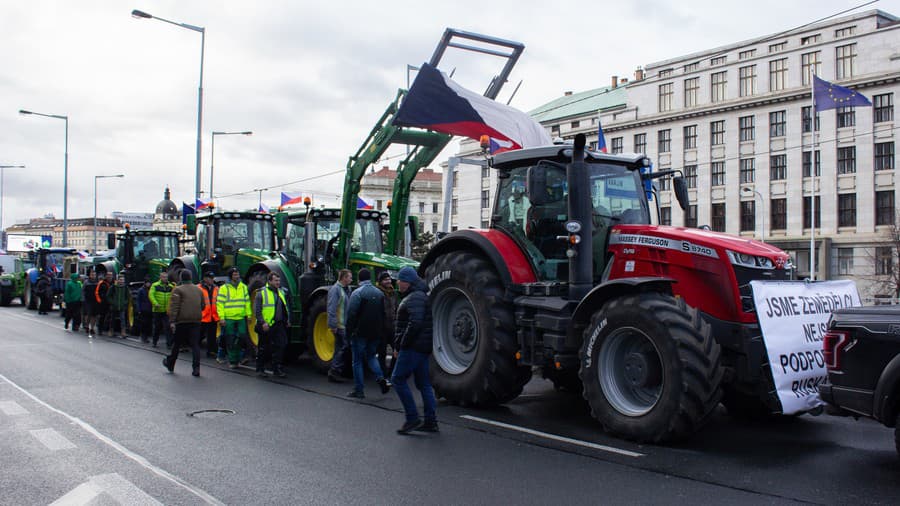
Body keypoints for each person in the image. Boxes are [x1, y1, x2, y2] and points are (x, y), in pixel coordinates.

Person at [391, 266, 437, 434]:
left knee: (397, 379)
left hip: (413, 347)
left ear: (407, 282)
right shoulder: (420, 295)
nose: (398, 283)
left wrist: (402, 344)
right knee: (423, 383)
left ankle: (412, 418)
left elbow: (415, 323)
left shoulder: (414, 297)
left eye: (400, 280)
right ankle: (431, 421)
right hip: (422, 347)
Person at [345, 268, 389, 398]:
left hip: (360, 332)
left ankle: (359, 390)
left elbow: (351, 314)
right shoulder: (380, 293)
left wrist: (349, 333)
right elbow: (383, 313)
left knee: (357, 361)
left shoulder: (357, 293)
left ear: (359, 279)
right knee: (371, 356)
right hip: (375, 332)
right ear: (370, 278)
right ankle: (380, 377)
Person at [163, 270, 205, 377]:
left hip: (182, 321)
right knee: (195, 345)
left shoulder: (178, 290)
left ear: (181, 278)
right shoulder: (199, 290)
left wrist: (172, 321)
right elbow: (203, 305)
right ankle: (196, 369)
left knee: (177, 344)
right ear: (190, 277)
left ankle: (170, 363)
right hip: (196, 320)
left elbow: (174, 307)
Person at [253, 272, 290, 378]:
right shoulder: (261, 293)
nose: (278, 282)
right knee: (263, 347)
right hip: (266, 325)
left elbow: (285, 307)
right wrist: (263, 322)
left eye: (279, 280)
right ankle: (260, 369)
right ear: (269, 281)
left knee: (281, 345)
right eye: (276, 280)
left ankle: (277, 368)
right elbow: (257, 311)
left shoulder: (281, 292)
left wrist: (287, 320)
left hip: (278, 324)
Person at [217, 267, 251, 369]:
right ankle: (233, 361)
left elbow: (247, 302)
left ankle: (238, 357)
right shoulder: (224, 288)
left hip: (240, 317)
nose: (237, 276)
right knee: (230, 339)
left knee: (242, 337)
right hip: (229, 318)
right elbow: (220, 304)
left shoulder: (244, 287)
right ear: (231, 276)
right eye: (235, 274)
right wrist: (222, 318)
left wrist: (249, 315)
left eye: (238, 274)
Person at [326, 269, 352, 383]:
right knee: (344, 347)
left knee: (340, 348)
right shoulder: (335, 290)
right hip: (340, 325)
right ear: (344, 278)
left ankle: (336, 370)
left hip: (345, 325)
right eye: (349, 277)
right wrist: (333, 325)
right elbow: (331, 308)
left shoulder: (347, 289)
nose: (351, 279)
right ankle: (334, 371)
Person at [376, 271, 398, 377]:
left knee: (397, 350)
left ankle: (391, 371)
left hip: (392, 327)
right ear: (380, 282)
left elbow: (396, 308)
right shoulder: (378, 293)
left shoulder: (393, 293)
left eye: (389, 279)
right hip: (382, 328)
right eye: (385, 279)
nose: (389, 281)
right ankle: (383, 374)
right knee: (382, 353)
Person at [149, 272, 175, 348]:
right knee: (157, 327)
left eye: (166, 277)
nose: (165, 278)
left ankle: (169, 344)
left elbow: (174, 294)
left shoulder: (171, 286)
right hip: (157, 310)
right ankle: (154, 342)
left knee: (168, 327)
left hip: (166, 311)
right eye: (163, 277)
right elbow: (151, 295)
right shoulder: (155, 285)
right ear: (160, 277)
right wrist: (155, 303)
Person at [198, 271, 220, 360]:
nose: (212, 280)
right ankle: (196, 349)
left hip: (213, 316)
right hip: (202, 316)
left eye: (212, 278)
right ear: (205, 279)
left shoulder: (216, 288)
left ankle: (211, 351)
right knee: (199, 334)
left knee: (212, 335)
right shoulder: (198, 288)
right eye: (210, 278)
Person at [135, 277, 153, 343]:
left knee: (148, 323)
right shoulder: (141, 290)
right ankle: (143, 336)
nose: (148, 284)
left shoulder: (151, 290)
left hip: (150, 309)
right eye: (147, 283)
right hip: (143, 309)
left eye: (149, 283)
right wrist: (139, 309)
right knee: (144, 323)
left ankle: (146, 336)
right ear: (145, 283)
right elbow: (138, 300)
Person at [82, 270, 98, 337]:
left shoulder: (97, 282)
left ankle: (92, 328)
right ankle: (87, 326)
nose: (93, 276)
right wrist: (83, 299)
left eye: (94, 275)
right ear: (90, 275)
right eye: (92, 275)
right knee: (87, 314)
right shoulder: (86, 282)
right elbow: (83, 291)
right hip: (87, 300)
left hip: (95, 300)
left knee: (94, 315)